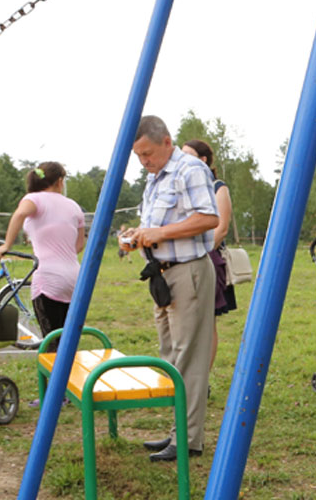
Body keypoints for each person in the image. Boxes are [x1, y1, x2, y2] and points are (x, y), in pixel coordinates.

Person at [119, 116, 217, 462]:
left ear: (166, 142)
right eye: (139, 156)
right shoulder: (154, 180)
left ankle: (189, 439)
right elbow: (157, 225)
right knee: (170, 356)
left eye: (147, 153)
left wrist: (159, 234)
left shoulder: (189, 170)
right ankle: (178, 430)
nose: (144, 161)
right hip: (162, 275)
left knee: (188, 358)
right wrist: (138, 236)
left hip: (187, 272)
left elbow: (209, 218)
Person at [0, 162, 85, 338]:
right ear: (60, 181)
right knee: (68, 340)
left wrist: (6, 246)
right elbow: (79, 246)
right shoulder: (73, 206)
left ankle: (53, 366)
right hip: (74, 279)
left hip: (48, 279)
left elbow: (19, 214)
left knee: (51, 341)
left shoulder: (34, 199)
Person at [180, 139, 237, 373]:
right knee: (186, 322)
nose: (182, 159)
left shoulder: (217, 187)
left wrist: (198, 253)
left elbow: (221, 229)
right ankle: (186, 375)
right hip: (183, 260)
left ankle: (202, 378)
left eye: (188, 155)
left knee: (206, 322)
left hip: (209, 258)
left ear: (203, 160)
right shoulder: (184, 185)